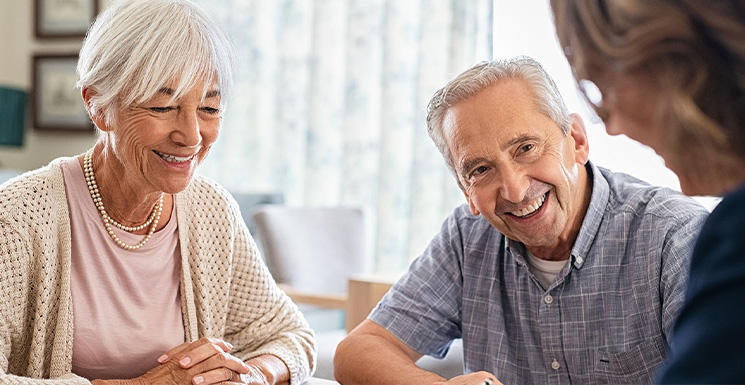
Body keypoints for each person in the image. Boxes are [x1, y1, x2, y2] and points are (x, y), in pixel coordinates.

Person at [333, 56, 709, 385]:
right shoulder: (467, 238)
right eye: (481, 169)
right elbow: (358, 351)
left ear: (576, 140)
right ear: (467, 193)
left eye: (526, 148)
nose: (513, 190)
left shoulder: (676, 237)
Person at [0, 0, 315, 384]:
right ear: (98, 105)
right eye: (164, 106)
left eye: (209, 108)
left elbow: (291, 337)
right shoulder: (18, 218)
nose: (192, 136)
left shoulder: (211, 210)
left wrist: (252, 378)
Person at [550, 1, 745, 383]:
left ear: (675, 58)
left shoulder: (720, 234)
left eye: (603, 83)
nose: (614, 125)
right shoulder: (464, 234)